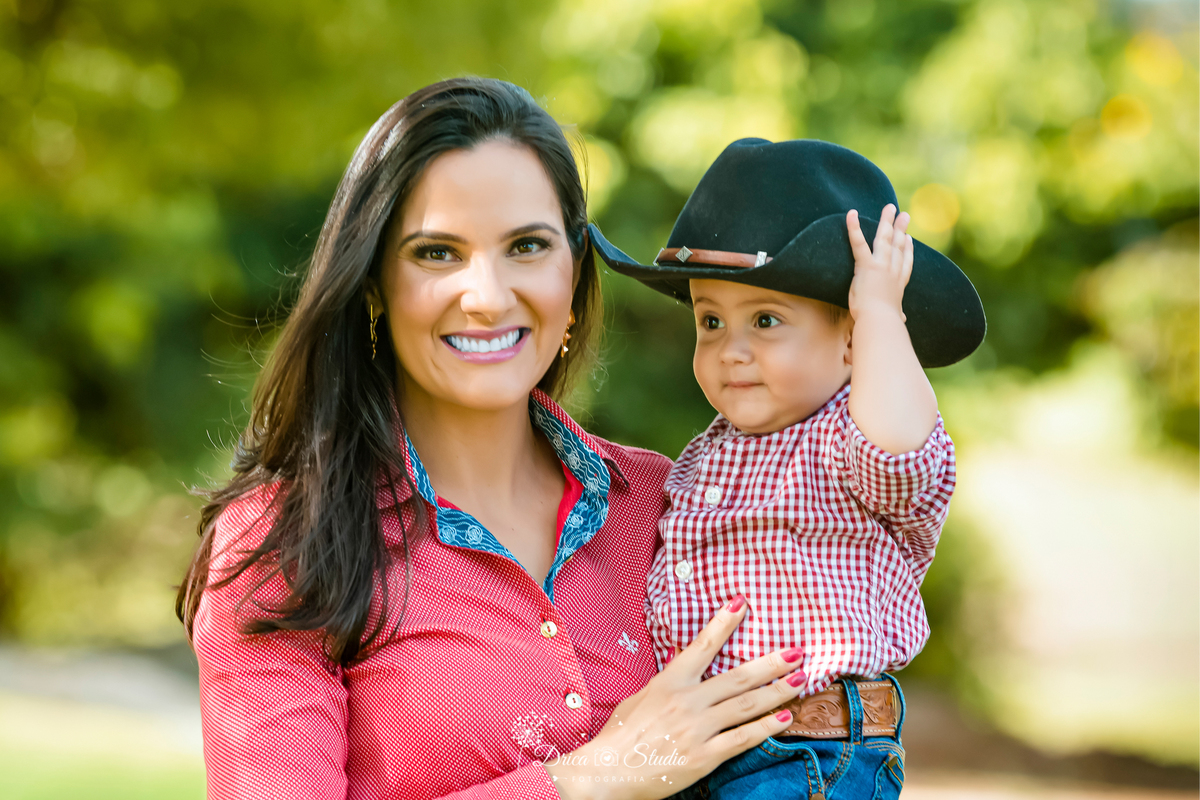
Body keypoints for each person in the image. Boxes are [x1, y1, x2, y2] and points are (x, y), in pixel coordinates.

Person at [176, 79, 813, 800]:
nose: (487, 296)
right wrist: (590, 778)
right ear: (374, 283)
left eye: (527, 246)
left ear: (574, 271)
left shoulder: (676, 505)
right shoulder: (285, 545)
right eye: (437, 253)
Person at [589, 138, 986, 798]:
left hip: (807, 753)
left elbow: (901, 454)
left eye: (766, 320)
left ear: (853, 342)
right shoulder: (705, 456)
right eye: (710, 321)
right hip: (699, 749)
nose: (731, 350)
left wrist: (880, 313)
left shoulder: (849, 443)